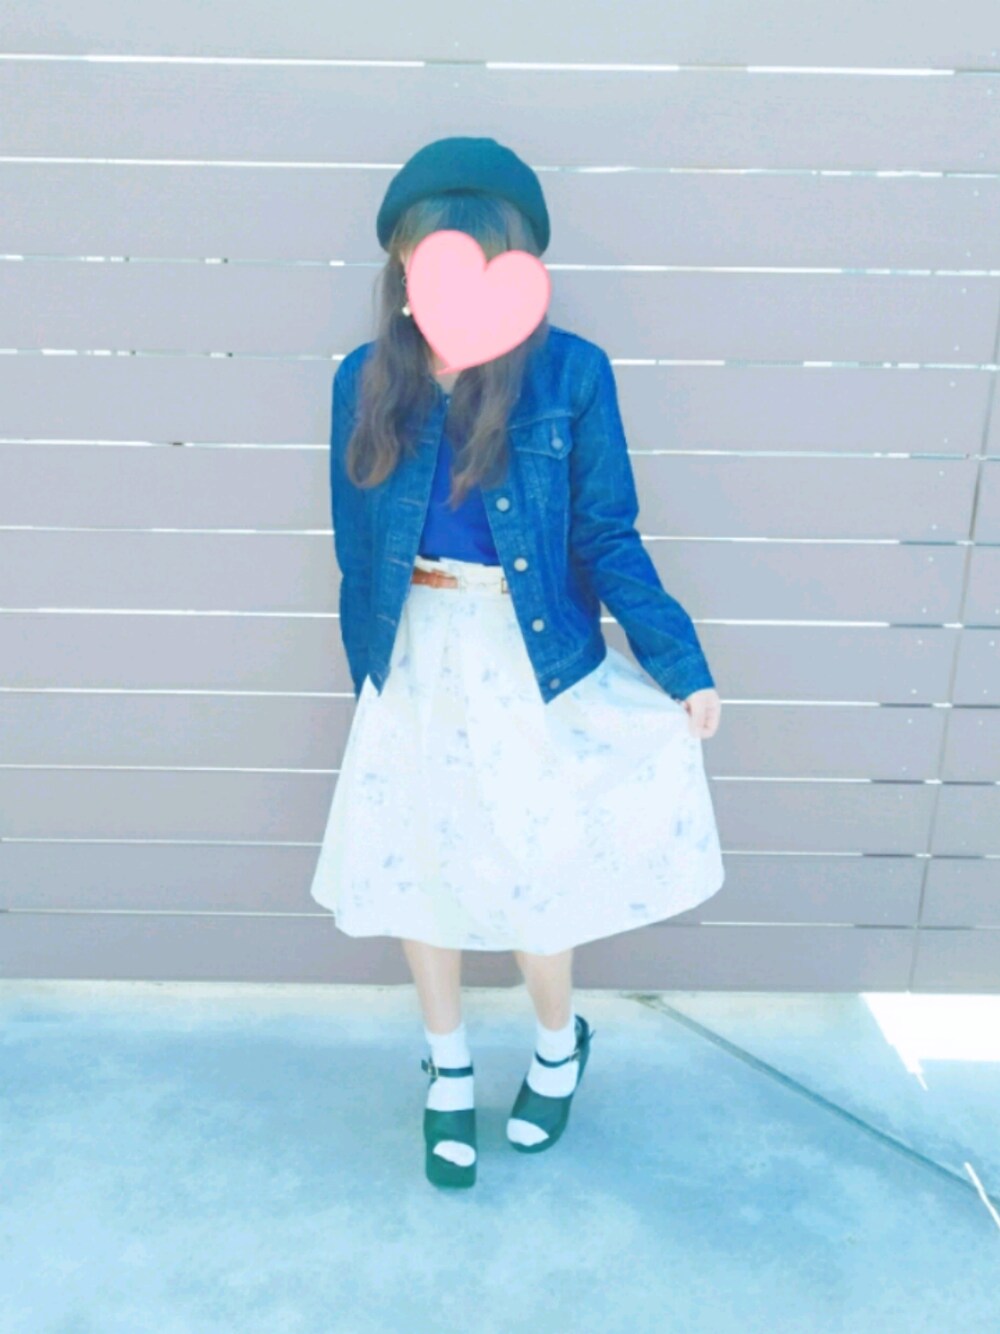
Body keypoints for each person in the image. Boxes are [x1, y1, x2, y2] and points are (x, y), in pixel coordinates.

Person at [308, 136, 726, 1189]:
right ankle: (446, 1067)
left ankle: (554, 1044)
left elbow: (607, 533)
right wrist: (373, 678)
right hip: (414, 657)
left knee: (538, 872)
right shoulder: (364, 379)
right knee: (421, 871)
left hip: (530, 659)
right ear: (403, 269)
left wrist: (678, 661)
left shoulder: (570, 374)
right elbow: (355, 548)